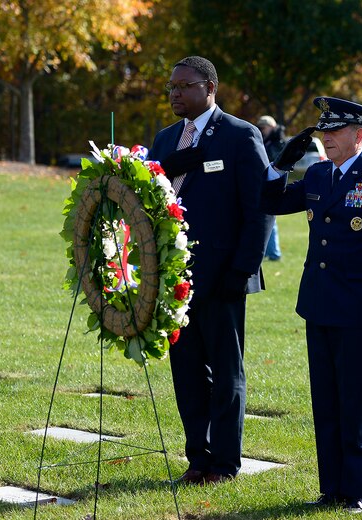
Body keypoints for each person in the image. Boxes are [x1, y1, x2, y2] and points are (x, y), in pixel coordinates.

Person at [261, 97, 362, 514]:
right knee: (326, 399)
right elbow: (269, 203)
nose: (326, 139)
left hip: (360, 308)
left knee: (355, 400)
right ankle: (331, 487)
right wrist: (280, 165)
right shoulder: (317, 174)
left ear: (360, 135)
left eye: (335, 132)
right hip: (319, 303)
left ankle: (358, 489)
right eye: (322, 132)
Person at [147, 56, 274, 485]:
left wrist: (242, 270)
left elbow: (261, 207)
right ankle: (197, 459)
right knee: (186, 372)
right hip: (175, 280)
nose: (175, 93)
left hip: (224, 277)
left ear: (210, 87)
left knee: (225, 372)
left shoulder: (240, 135)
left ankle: (224, 463)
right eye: (171, 87)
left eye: (184, 85)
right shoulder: (165, 141)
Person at [256, 115, 286, 261]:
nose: (262, 130)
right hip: (264, 183)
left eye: (264, 127)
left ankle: (274, 253)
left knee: (270, 219)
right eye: (260, 128)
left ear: (272, 127)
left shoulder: (277, 142)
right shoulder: (266, 141)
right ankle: (271, 252)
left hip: (273, 184)